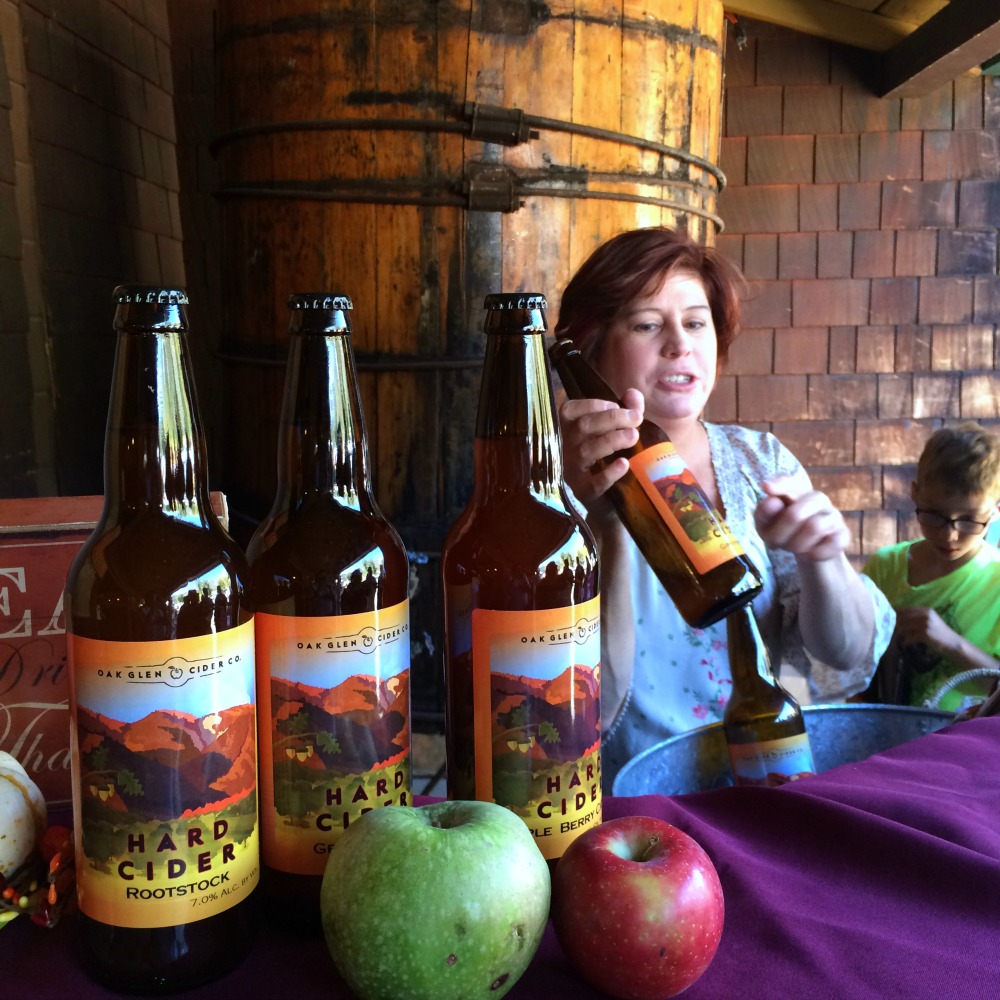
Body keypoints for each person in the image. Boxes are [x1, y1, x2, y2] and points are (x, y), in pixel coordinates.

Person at [553, 226, 895, 786]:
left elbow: (844, 652)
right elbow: (586, 705)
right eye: (646, 324)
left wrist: (823, 558)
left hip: (762, 778)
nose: (679, 344)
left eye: (695, 322)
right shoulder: (549, 485)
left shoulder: (758, 460)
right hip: (628, 797)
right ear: (590, 349)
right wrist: (600, 516)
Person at [862, 422, 1000, 713]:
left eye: (969, 519)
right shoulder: (884, 568)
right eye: (934, 514)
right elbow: (856, 673)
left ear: (995, 510)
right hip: (892, 741)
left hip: (969, 746)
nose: (949, 535)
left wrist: (950, 643)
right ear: (915, 494)